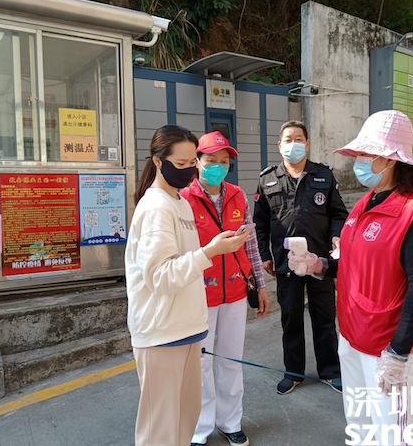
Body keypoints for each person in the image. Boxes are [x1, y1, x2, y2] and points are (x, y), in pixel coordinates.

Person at [288, 110, 413, 445]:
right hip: (351, 335)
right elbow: (351, 261)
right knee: (360, 424)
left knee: (394, 434)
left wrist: (398, 353)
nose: (358, 160)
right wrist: (318, 265)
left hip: (386, 346)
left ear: (390, 160)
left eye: (365, 153)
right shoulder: (365, 203)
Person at [125, 125, 249, 446]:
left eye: (192, 162)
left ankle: (221, 423)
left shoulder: (178, 202)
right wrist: (210, 252)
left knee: (183, 421)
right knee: (161, 430)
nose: (189, 170)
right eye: (180, 164)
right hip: (162, 332)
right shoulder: (156, 207)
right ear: (157, 161)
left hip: (185, 327)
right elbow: (160, 276)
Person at [180, 131, 270, 446]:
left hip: (235, 290)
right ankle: (200, 428)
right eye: (211, 160)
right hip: (199, 294)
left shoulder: (237, 195)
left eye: (224, 161)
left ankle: (230, 422)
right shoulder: (184, 199)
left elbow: (251, 244)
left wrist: (260, 284)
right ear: (197, 162)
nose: (218, 166)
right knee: (201, 363)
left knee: (231, 360)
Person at [253, 120, 349, 396]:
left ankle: (330, 370)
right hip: (286, 263)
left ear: (307, 144)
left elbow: (338, 213)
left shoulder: (324, 176)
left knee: (324, 317)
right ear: (279, 145)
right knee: (291, 318)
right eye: (288, 139)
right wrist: (265, 255)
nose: (293, 144)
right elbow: (260, 223)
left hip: (319, 262)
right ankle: (293, 372)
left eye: (298, 139)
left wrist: (337, 236)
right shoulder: (267, 179)